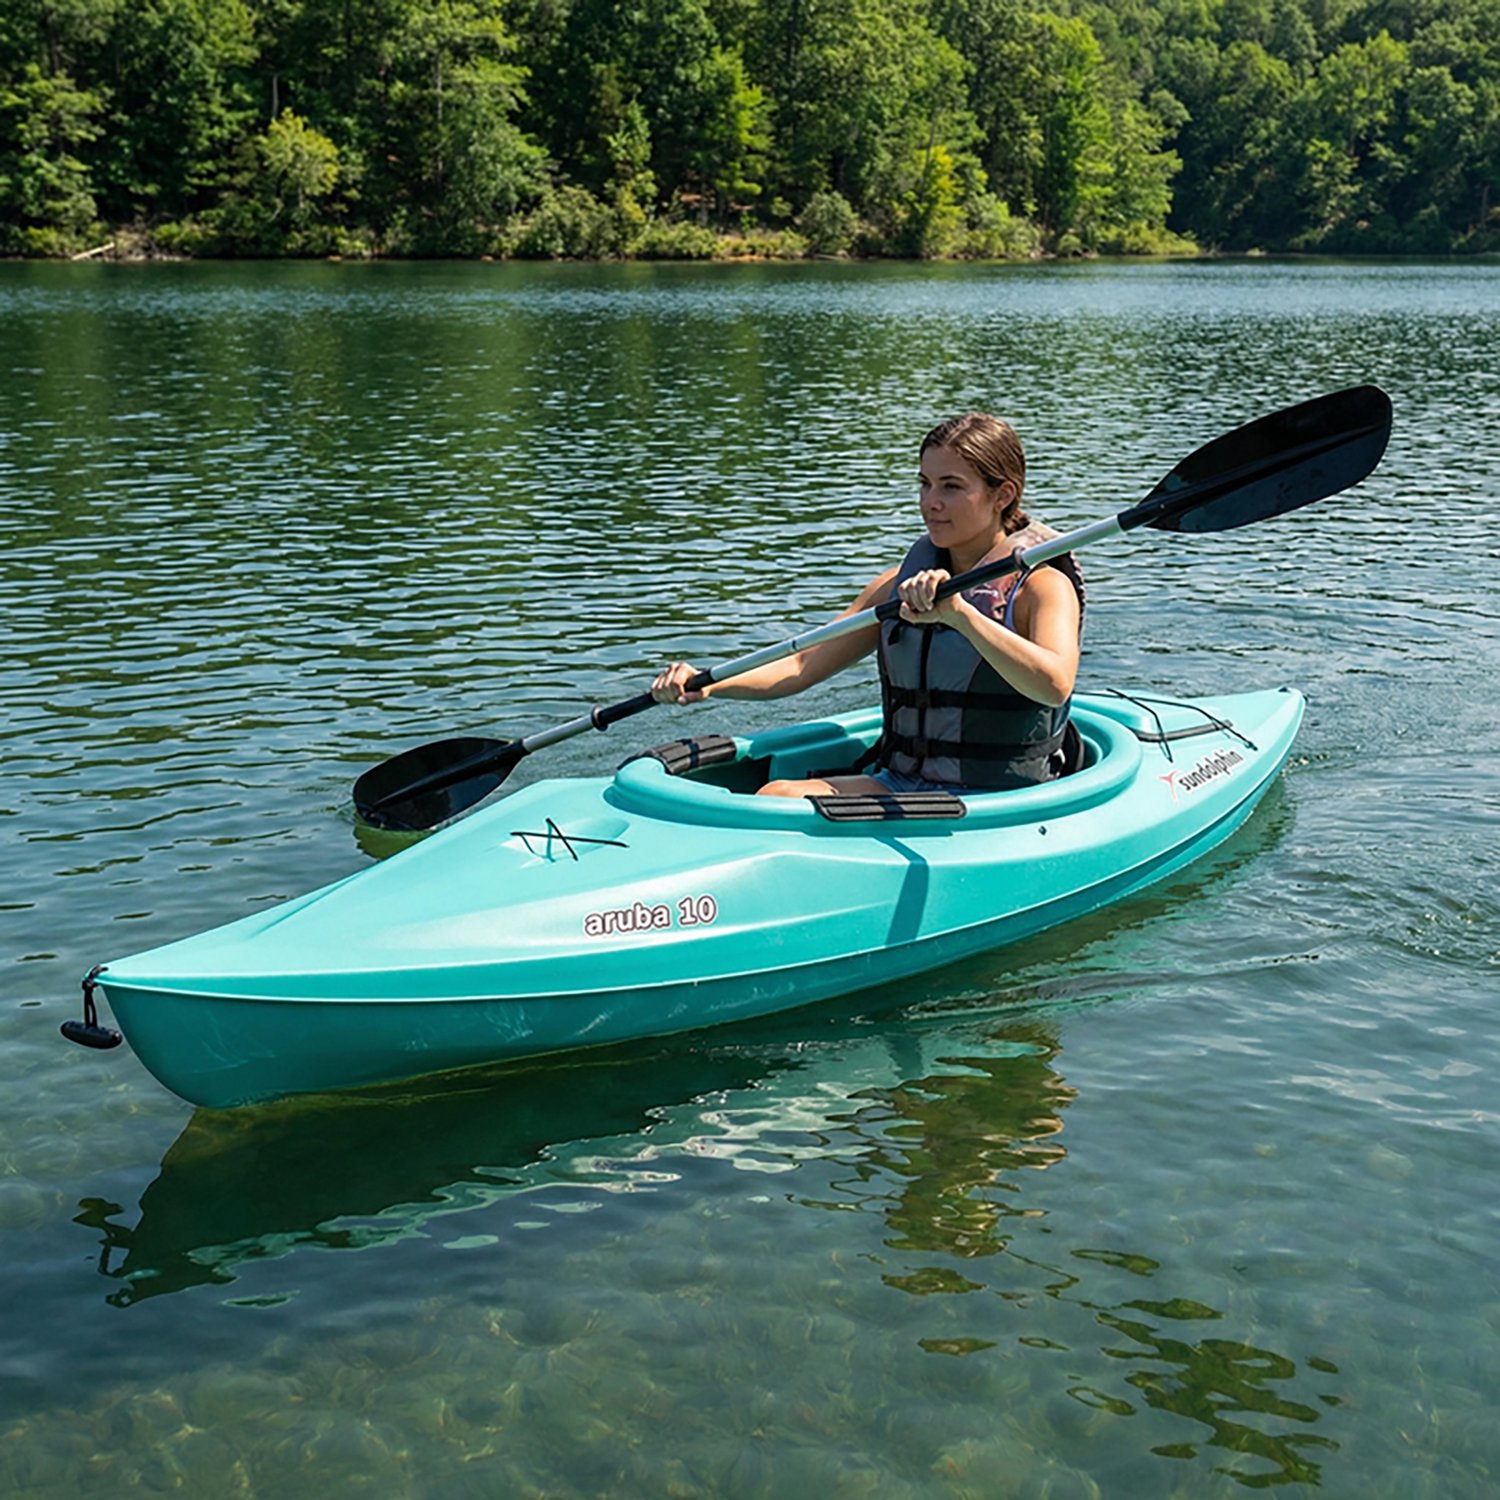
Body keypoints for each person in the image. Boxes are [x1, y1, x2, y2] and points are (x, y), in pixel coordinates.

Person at [650, 413, 1085, 798]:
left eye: (951, 487)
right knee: (776, 794)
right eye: (925, 483)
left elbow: (1054, 685)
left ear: (1003, 495)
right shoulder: (897, 587)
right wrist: (707, 683)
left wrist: (962, 617)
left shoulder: (1043, 588)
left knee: (779, 798)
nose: (930, 502)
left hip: (1000, 797)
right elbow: (801, 665)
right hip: (900, 782)